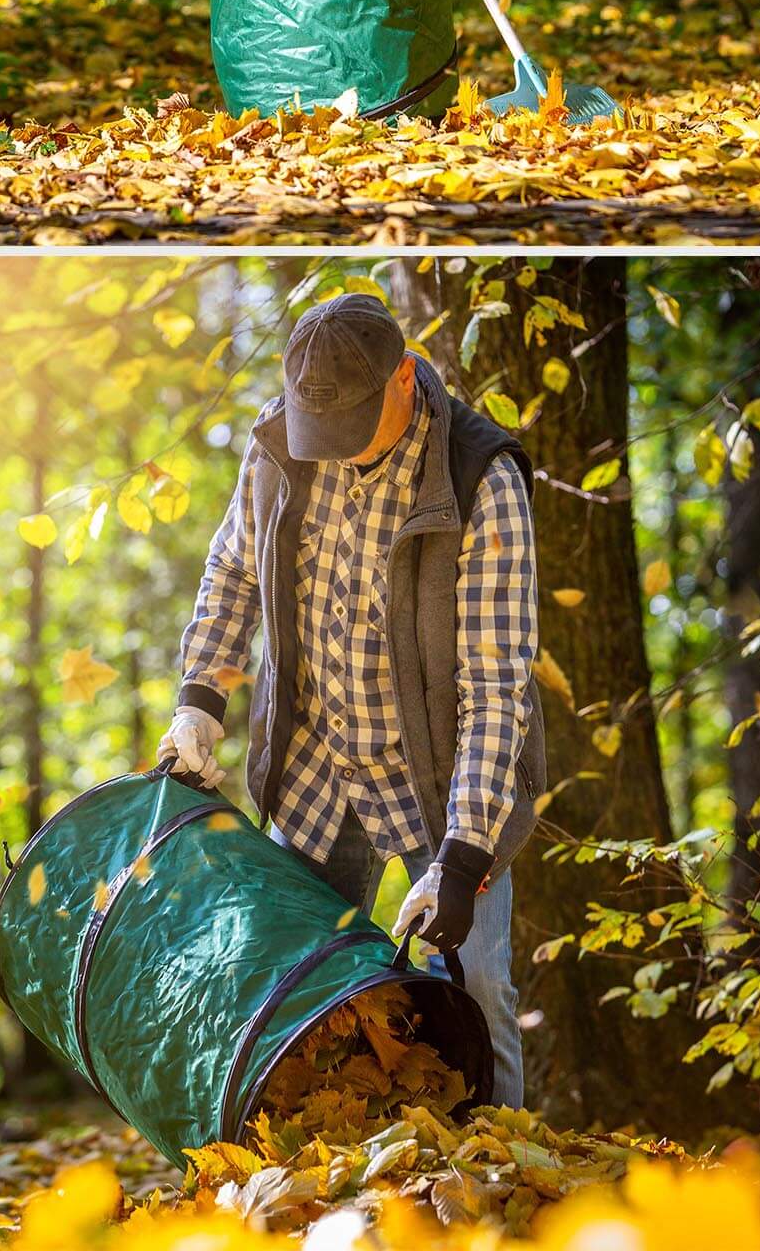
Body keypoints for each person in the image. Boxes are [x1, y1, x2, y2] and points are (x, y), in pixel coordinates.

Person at [158, 291, 542, 1108]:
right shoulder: (278, 442)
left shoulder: (481, 477)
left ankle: (511, 1181)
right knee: (290, 997)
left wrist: (463, 854)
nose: (327, 451)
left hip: (438, 785)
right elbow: (232, 571)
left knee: (473, 994)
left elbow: (495, 684)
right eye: (313, 428)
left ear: (404, 379)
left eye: (348, 428)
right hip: (313, 769)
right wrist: (200, 697)